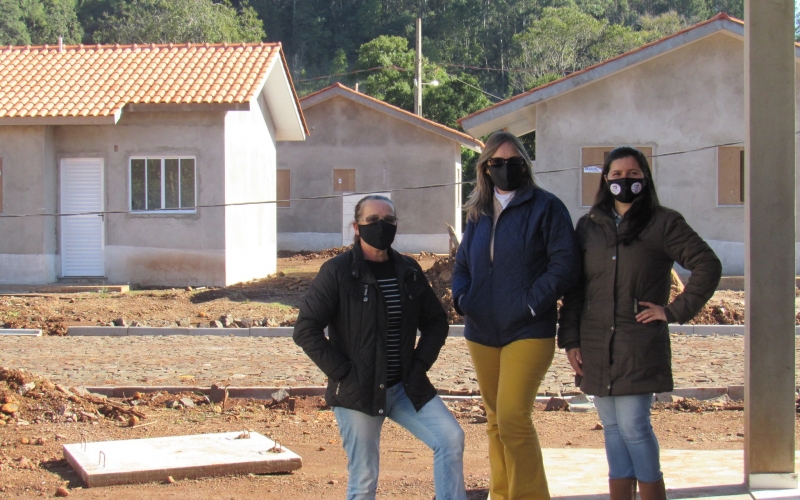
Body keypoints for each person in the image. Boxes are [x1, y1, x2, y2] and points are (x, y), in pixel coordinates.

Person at [558, 146, 721, 500]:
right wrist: (570, 339)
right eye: (616, 175)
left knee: (634, 426)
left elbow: (707, 265)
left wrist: (673, 310)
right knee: (613, 428)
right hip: (595, 344)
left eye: (632, 175)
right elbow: (575, 287)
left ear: (644, 179)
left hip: (638, 343)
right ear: (605, 180)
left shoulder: (664, 223)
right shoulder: (589, 226)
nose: (624, 181)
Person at [293, 194, 466, 500]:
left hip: (404, 386)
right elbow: (306, 330)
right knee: (364, 476)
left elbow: (436, 322)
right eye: (372, 220)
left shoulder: (408, 270)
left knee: (450, 439)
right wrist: (344, 374)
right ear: (357, 227)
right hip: (358, 391)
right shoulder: (337, 271)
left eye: (388, 220)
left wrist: (418, 365)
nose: (381, 226)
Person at [452, 131, 581, 500]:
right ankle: (502, 493)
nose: (505, 168)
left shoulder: (547, 207)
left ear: (525, 164)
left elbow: (564, 265)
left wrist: (529, 303)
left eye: (514, 162)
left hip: (529, 328)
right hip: (481, 331)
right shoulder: (478, 212)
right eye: (497, 163)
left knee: (512, 418)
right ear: (485, 168)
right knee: (494, 421)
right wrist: (463, 298)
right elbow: (462, 264)